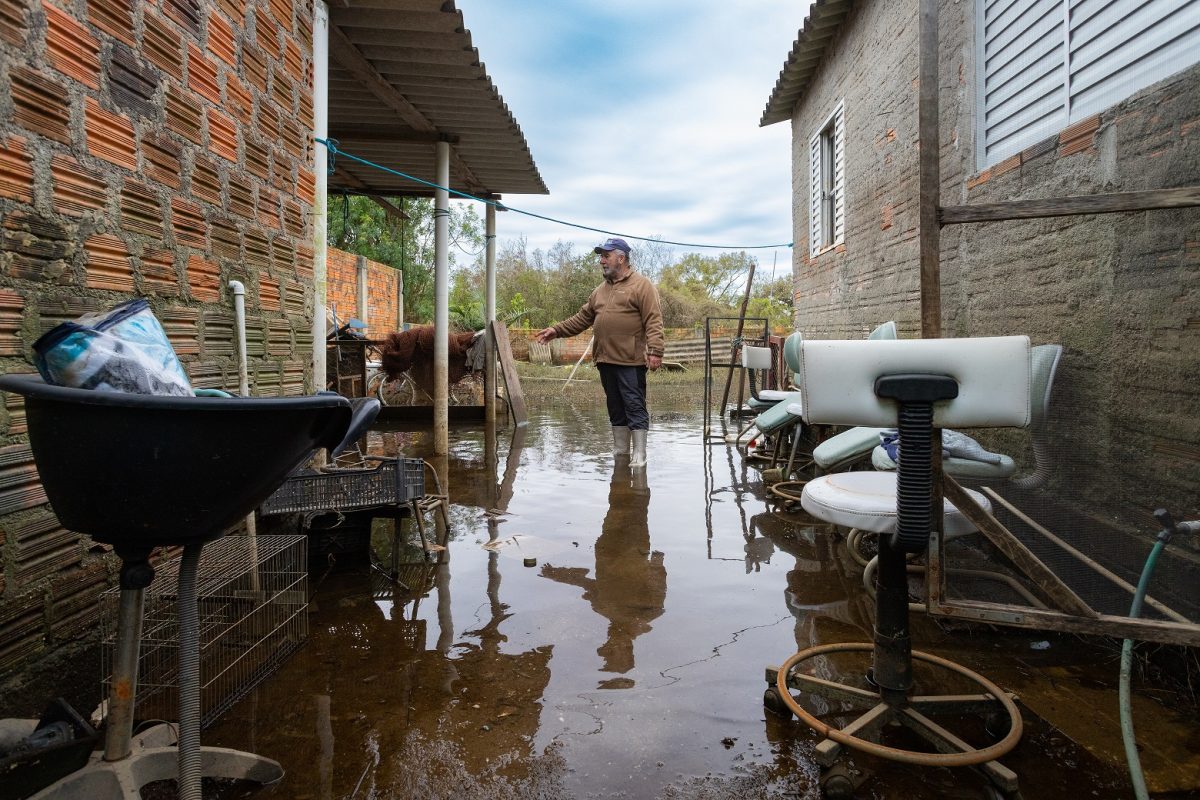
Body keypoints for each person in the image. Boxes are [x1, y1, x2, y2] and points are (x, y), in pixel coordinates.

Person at [535, 238, 664, 467]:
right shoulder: (599, 292)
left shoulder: (642, 286)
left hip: (630, 360)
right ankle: (621, 451)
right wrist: (556, 330)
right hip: (605, 359)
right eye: (601, 257)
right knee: (615, 407)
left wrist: (655, 351)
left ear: (621, 258)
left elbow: (654, 320)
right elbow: (581, 319)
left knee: (634, 405)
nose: (602, 261)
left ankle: (640, 454)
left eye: (606, 256)